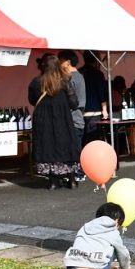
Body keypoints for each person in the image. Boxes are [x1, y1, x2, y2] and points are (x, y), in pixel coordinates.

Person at [44, 202, 131, 269]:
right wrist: (125, 268)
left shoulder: (85, 227)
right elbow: (123, 255)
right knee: (114, 248)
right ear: (117, 221)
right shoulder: (113, 232)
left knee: (81, 250)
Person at [28, 54, 79, 190]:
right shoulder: (64, 82)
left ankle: (53, 182)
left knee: (48, 148)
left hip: (44, 123)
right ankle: (72, 180)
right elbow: (74, 103)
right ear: (58, 66)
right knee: (66, 148)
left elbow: (32, 100)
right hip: (63, 122)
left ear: (43, 66)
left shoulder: (36, 82)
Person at [57, 50, 87, 183]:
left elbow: (73, 102)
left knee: (74, 149)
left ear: (67, 62)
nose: (59, 63)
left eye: (61, 60)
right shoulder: (79, 76)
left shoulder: (72, 78)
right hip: (77, 119)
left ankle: (79, 173)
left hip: (73, 119)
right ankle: (76, 173)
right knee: (74, 148)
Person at [78, 50, 109, 144]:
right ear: (96, 59)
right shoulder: (98, 74)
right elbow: (102, 94)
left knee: (82, 140)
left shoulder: (78, 72)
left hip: (79, 112)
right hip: (94, 112)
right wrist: (105, 110)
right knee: (92, 141)